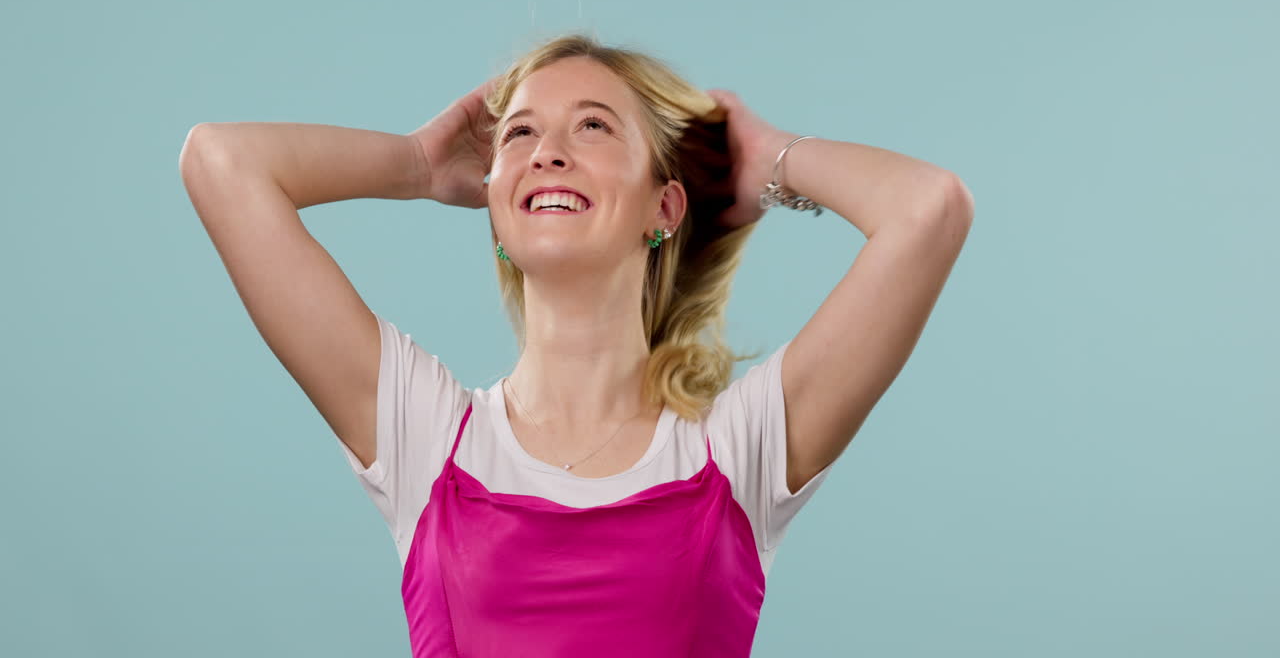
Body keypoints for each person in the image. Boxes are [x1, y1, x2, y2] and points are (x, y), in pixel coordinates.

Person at [179, 32, 974, 657]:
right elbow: (221, 162)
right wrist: (417, 164)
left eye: (592, 126)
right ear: (493, 207)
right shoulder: (425, 439)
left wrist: (769, 161)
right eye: (518, 134)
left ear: (664, 206)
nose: (545, 152)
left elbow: (928, 209)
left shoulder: (738, 451)